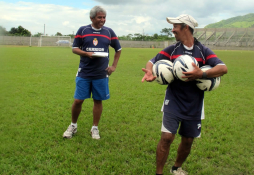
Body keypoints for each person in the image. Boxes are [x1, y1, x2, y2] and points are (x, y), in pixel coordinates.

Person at [141, 14, 227, 175]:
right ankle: (158, 173)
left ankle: (176, 168)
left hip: (194, 103)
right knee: (167, 137)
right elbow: (152, 61)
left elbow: (223, 68)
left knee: (187, 141)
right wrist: (150, 72)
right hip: (173, 100)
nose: (172, 30)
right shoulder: (173, 49)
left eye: (175, 26)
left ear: (186, 27)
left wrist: (201, 74)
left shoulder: (202, 51)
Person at [63, 6, 122, 140]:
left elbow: (118, 49)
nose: (102, 20)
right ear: (92, 18)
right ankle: (73, 125)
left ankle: (94, 128)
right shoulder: (83, 30)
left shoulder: (109, 32)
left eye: (104, 17)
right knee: (78, 100)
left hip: (101, 73)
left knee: (98, 100)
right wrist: (85, 53)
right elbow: (74, 48)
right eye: (99, 17)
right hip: (84, 72)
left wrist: (113, 66)